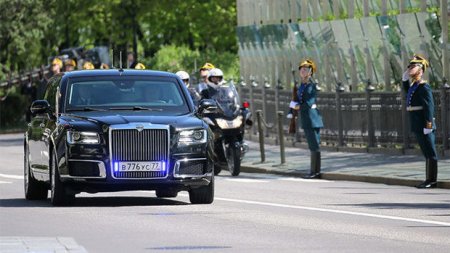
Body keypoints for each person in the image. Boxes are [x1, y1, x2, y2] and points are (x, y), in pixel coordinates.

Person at [402, 54, 438, 188]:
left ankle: (432, 180)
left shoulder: (424, 87)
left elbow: (429, 106)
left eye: (413, 66)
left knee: (431, 152)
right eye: (409, 66)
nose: (410, 68)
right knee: (426, 152)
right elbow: (407, 92)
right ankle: (428, 179)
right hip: (417, 123)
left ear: (421, 70)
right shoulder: (414, 86)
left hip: (424, 123)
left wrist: (428, 123)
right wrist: (405, 78)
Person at [289, 59, 323, 179]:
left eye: (306, 70)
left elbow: (308, 103)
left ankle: (315, 172)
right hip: (307, 119)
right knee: (312, 146)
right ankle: (315, 171)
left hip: (312, 118)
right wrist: (292, 107)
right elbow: (298, 99)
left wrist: (296, 106)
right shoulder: (302, 86)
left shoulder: (310, 86)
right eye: (302, 69)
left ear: (310, 72)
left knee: (314, 145)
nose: (303, 71)